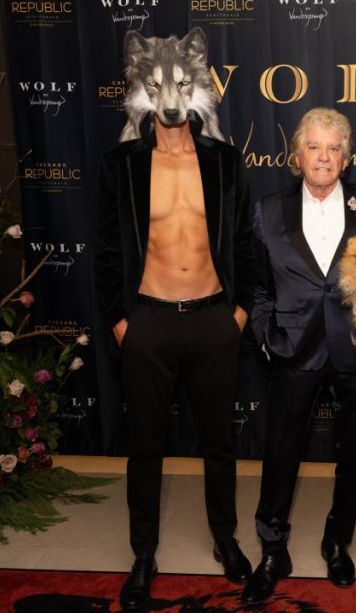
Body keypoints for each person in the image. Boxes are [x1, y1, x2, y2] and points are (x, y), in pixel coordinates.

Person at [93, 109, 254, 611]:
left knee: (219, 442)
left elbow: (245, 240)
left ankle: (224, 537)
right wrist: (122, 319)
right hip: (149, 320)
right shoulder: (122, 163)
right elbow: (106, 247)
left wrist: (239, 312)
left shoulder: (224, 159)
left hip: (212, 317)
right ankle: (143, 554)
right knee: (145, 445)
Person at [242, 108, 356, 604]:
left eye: (333, 148)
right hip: (292, 348)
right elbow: (258, 286)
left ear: (347, 157)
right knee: (280, 452)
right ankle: (272, 549)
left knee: (352, 454)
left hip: (355, 348)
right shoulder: (267, 209)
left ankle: (336, 540)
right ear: (297, 154)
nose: (323, 157)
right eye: (314, 146)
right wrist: (266, 336)